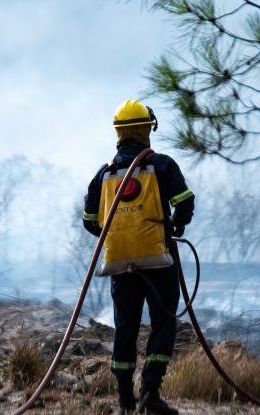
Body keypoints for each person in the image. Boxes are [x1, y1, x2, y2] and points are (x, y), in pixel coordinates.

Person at [83, 99, 194, 415]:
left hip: (120, 263)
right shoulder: (161, 165)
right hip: (158, 260)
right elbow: (184, 202)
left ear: (118, 133)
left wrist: (118, 236)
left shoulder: (104, 175)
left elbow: (90, 221)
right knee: (163, 323)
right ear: (149, 128)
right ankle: (151, 394)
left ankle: (124, 401)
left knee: (125, 328)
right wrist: (176, 225)